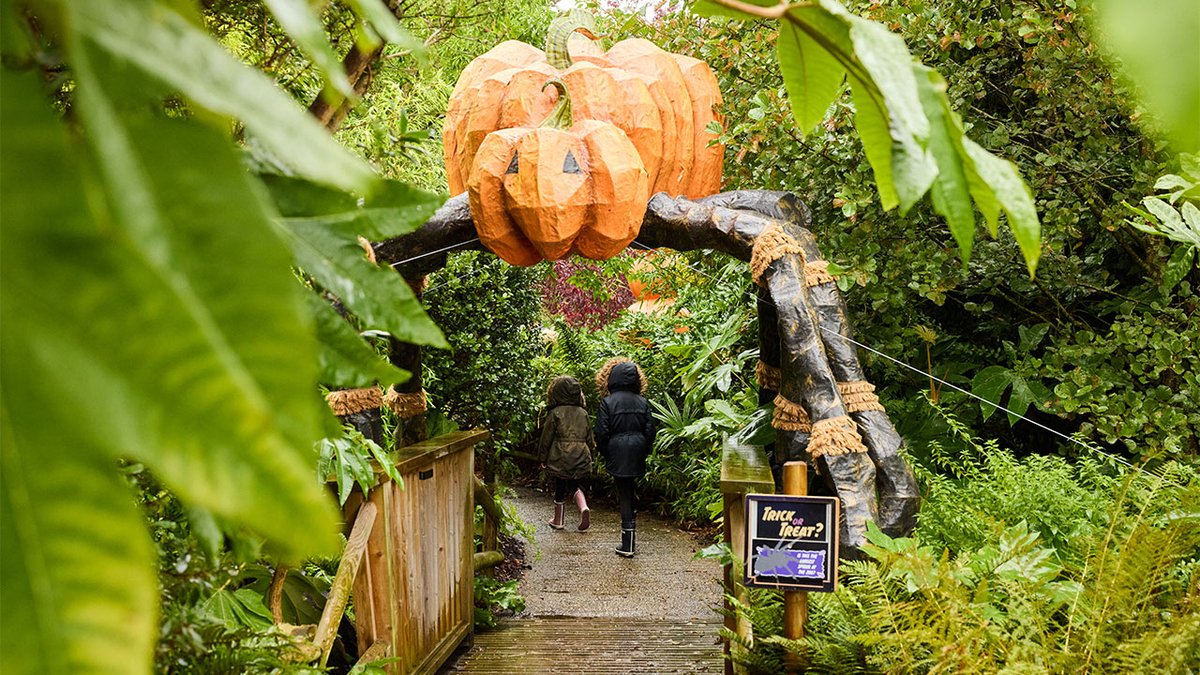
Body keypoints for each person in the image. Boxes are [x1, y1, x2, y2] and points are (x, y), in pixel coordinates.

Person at [594, 358, 656, 557]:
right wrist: (643, 448)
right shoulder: (642, 402)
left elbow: (601, 432)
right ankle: (630, 535)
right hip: (637, 450)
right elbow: (650, 430)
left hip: (617, 451)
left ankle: (628, 543)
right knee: (629, 491)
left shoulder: (608, 402)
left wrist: (606, 452)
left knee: (624, 494)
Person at [538, 375, 594, 532]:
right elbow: (590, 438)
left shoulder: (555, 413)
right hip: (581, 453)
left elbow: (546, 438)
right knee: (575, 484)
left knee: (560, 485)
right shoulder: (583, 413)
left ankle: (558, 520)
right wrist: (591, 456)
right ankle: (583, 507)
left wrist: (542, 458)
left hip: (561, 456)